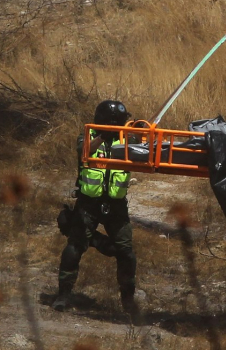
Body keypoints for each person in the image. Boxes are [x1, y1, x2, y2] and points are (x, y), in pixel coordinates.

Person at [52, 100, 138, 316]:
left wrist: (140, 132)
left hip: (116, 206)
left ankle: (128, 300)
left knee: (125, 252)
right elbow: (84, 152)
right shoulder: (87, 137)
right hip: (89, 204)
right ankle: (63, 295)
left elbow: (146, 149)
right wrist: (102, 138)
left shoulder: (127, 139)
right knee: (74, 248)